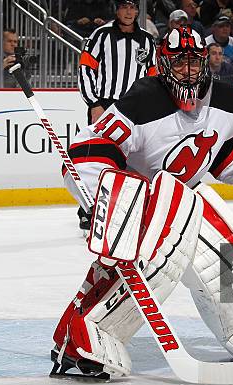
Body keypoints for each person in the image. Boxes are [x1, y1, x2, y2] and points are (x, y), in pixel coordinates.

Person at [50, 26, 233, 380]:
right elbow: (91, 148)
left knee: (226, 258)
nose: (188, 71)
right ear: (163, 65)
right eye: (179, 63)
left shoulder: (227, 101)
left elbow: (229, 154)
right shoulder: (142, 101)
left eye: (194, 63)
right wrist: (115, 189)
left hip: (186, 198)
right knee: (149, 267)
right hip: (143, 206)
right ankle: (82, 341)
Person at [77, 0, 157, 231]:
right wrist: (93, 103)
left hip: (135, 107)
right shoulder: (100, 35)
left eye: (133, 8)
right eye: (124, 7)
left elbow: (152, 76)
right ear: (117, 10)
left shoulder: (147, 40)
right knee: (97, 159)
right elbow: (85, 69)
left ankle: (125, 208)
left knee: (132, 160)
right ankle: (88, 211)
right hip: (104, 104)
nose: (129, 12)